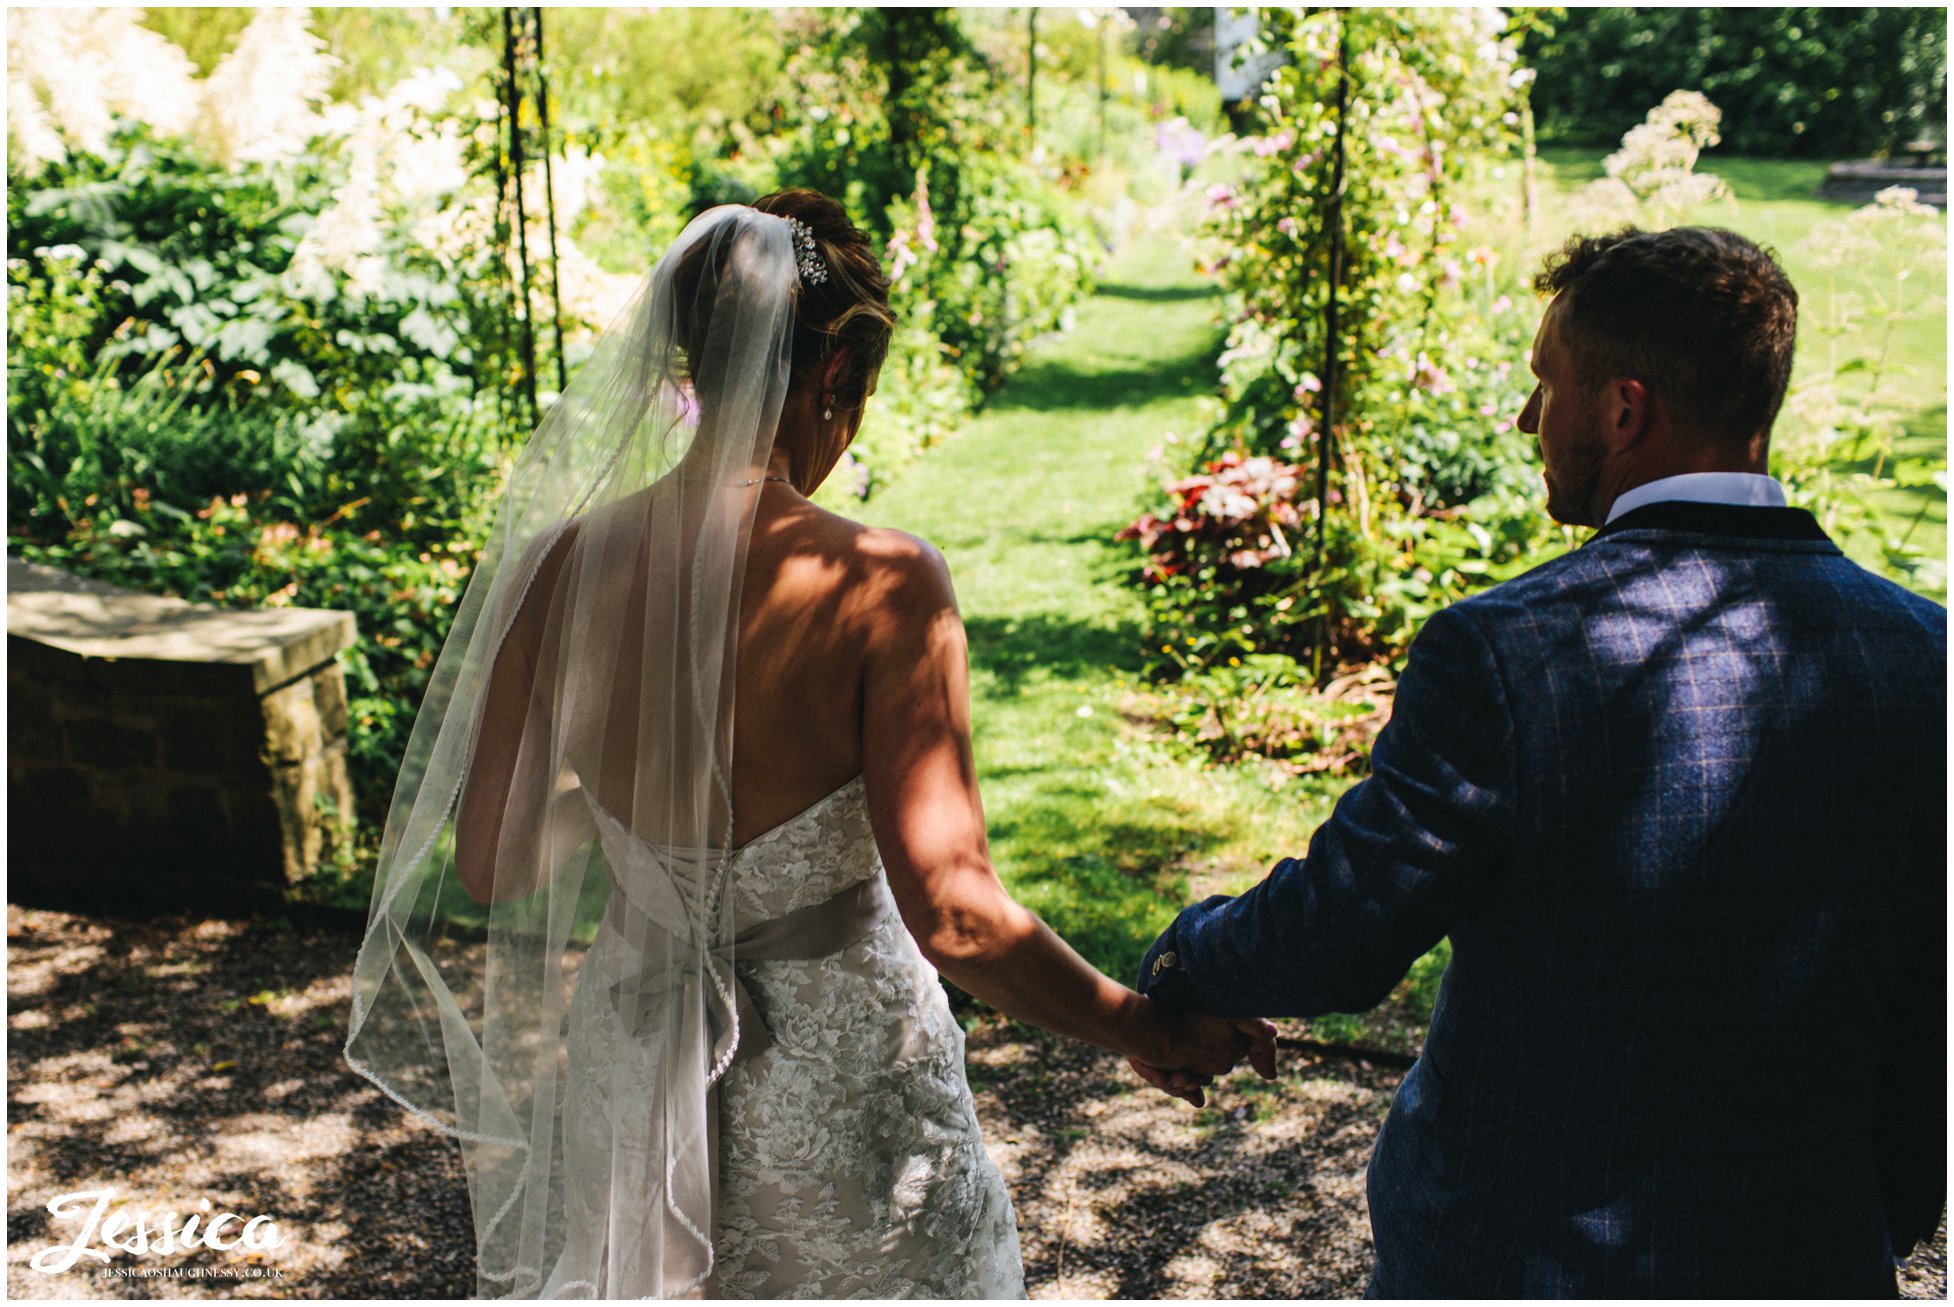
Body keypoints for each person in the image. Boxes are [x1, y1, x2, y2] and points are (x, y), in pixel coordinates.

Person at [345, 189, 1274, 1300]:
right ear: (835, 375)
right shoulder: (880, 583)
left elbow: (493, 862)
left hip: (632, 1058)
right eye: (861, 398)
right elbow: (956, 914)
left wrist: (628, 803)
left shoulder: (561, 568)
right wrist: (1140, 1019)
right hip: (833, 1091)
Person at [1131, 225, 1946, 1296]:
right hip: (1810, 1255)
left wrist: (1186, 966)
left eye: (1542, 385)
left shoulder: (1515, 650)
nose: (1525, 419)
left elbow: (1341, 930)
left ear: (1623, 407)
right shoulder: (1922, 650)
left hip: (1526, 1257)